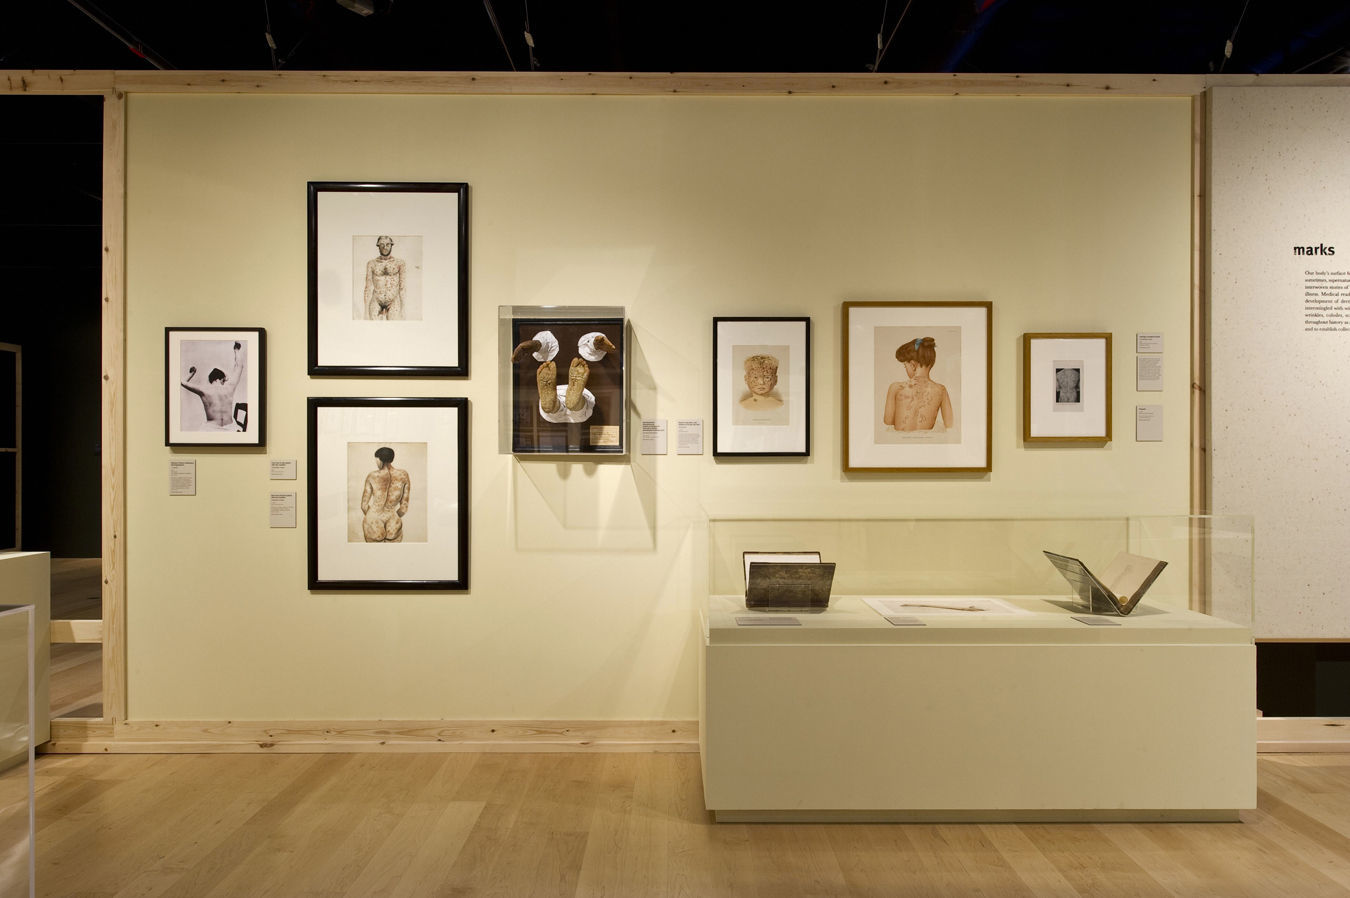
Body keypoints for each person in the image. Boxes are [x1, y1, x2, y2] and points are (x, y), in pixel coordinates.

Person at [884, 337, 952, 431]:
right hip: (927, 439)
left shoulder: (896, 388)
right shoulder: (941, 390)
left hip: (900, 438)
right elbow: (949, 424)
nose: (905, 369)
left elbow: (888, 421)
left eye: (905, 366)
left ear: (912, 365)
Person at [180, 342, 244, 431]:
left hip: (211, 429)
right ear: (222, 379)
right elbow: (239, 366)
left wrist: (192, 373)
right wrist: (236, 350)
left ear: (211, 380)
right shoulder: (229, 387)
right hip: (230, 428)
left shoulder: (204, 390)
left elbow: (183, 382)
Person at [360, 446, 411, 543]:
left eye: (376, 460)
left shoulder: (372, 476)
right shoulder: (403, 475)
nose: (376, 462)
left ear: (380, 460)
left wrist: (373, 516)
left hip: (373, 520)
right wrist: (393, 515)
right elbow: (404, 508)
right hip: (393, 521)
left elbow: (364, 506)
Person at [363, 235, 406, 320]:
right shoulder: (371, 264)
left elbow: (402, 287)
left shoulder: (399, 263)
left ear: (391, 245)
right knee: (372, 324)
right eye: (382, 244)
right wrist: (366, 310)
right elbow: (368, 287)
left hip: (393, 300)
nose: (385, 247)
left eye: (387, 244)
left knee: (394, 324)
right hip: (377, 299)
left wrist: (403, 308)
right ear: (378, 246)